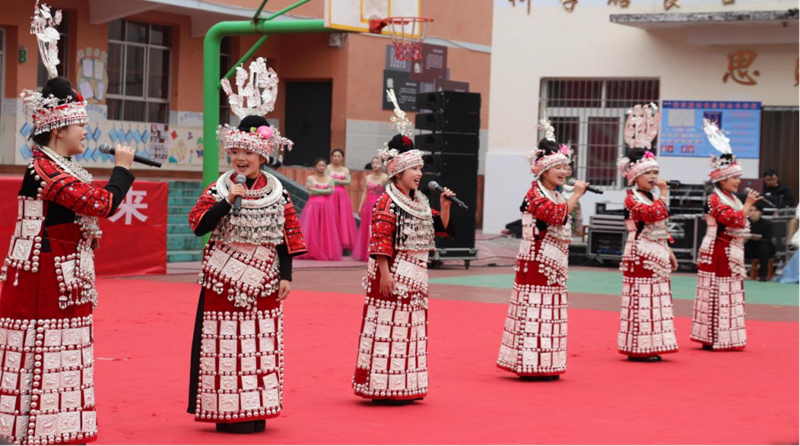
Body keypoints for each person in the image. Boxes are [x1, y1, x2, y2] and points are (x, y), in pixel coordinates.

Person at [0, 5, 136, 443]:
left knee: (64, 350)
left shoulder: (58, 166)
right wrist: (123, 171)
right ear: (58, 130)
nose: (86, 134)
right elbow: (100, 203)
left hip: (62, 276)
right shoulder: (46, 170)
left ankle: (56, 429)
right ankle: (33, 430)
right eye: (81, 125)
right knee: (42, 351)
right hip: (42, 280)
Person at [186, 57, 307, 433]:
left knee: (258, 343)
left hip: (265, 280)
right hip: (224, 280)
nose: (240, 158)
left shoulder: (277, 191)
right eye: (236, 152)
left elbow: (287, 236)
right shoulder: (221, 187)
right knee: (223, 345)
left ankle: (256, 409)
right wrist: (226, 201)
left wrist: (286, 275)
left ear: (262, 156)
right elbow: (198, 225)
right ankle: (225, 411)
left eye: (248, 153)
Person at [352, 90, 454, 402]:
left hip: (417, 275)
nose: (420, 175)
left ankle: (406, 384)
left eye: (421, 170)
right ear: (398, 171)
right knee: (388, 327)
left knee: (410, 329)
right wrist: (385, 274)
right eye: (415, 170)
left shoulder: (420, 200)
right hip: (393, 273)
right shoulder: (388, 201)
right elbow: (380, 240)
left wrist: (445, 205)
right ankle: (383, 385)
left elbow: (439, 228)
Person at [496, 120, 588, 380]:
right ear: (543, 170)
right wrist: (576, 195)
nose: (563, 171)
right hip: (537, 262)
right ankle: (529, 364)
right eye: (558, 167)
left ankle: (547, 364)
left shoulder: (556, 194)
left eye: (564, 166)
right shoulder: (534, 195)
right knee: (536, 310)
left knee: (551, 312)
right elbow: (556, 217)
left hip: (554, 262)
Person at [690, 119, 761, 352]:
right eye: (734, 178)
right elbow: (734, 219)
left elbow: (739, 221)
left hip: (730, 249)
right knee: (717, 291)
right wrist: (749, 204)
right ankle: (712, 337)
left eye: (738, 178)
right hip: (719, 250)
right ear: (722, 179)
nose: (738, 182)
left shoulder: (732, 198)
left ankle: (727, 336)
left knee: (729, 291)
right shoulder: (715, 198)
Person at [616, 144, 679, 362]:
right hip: (641, 254)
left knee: (655, 300)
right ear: (635, 176)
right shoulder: (632, 198)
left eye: (655, 172)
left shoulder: (651, 197)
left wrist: (668, 250)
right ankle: (638, 347)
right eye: (648, 173)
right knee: (642, 300)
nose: (653, 177)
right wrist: (663, 193)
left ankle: (652, 344)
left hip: (656, 252)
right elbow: (651, 216)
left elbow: (659, 227)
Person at [299, 159, 343, 261]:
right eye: (319, 165)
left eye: (323, 166)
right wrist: (324, 191)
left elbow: (331, 191)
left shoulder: (330, 179)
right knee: (311, 228)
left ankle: (325, 251)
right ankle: (309, 251)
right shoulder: (310, 178)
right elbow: (310, 192)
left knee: (325, 228)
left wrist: (316, 190)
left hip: (326, 207)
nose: (321, 167)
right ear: (315, 166)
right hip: (313, 205)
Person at [352, 156, 388, 261]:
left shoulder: (385, 178)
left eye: (377, 163)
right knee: (366, 229)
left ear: (382, 165)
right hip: (368, 206)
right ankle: (365, 252)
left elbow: (387, 193)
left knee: (377, 229)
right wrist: (360, 207)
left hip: (379, 205)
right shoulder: (367, 177)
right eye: (373, 163)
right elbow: (364, 192)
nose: (375, 165)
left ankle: (377, 251)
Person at [327, 149, 358, 252]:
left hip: (342, 196)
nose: (336, 158)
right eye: (334, 156)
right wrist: (340, 181)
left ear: (342, 158)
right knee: (331, 217)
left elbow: (348, 182)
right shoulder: (328, 167)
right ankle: (329, 242)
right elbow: (326, 180)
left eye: (338, 156)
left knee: (342, 218)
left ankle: (341, 243)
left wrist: (333, 180)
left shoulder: (345, 170)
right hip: (330, 194)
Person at [744, 202, 776, 282]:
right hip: (749, 247)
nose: (753, 213)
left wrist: (758, 239)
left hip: (762, 247)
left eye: (755, 211)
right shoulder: (744, 223)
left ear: (760, 212)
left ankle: (762, 275)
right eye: (751, 210)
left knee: (764, 248)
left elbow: (768, 239)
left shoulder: (767, 224)